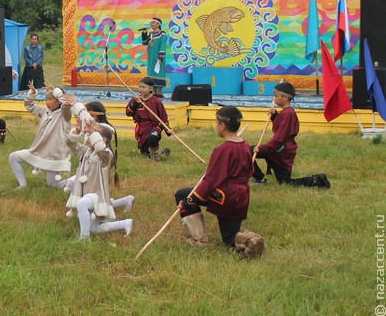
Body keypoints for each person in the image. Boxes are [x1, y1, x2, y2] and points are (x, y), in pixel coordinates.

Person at [174, 106, 261, 253]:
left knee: (183, 194)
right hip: (241, 196)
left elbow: (210, 181)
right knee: (229, 238)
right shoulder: (245, 145)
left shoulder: (223, 150)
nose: (216, 126)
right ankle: (248, 241)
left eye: (216, 123)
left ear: (222, 126)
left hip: (226, 196)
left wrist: (190, 200)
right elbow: (251, 171)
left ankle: (199, 240)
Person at [65, 115, 134, 241]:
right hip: (87, 194)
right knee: (95, 228)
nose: (87, 137)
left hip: (97, 195)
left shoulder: (106, 155)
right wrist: (77, 130)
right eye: (87, 135)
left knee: (82, 203)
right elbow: (70, 143)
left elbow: (100, 149)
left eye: (92, 135)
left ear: (104, 140)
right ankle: (124, 223)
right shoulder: (85, 151)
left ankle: (84, 238)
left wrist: (92, 132)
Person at [251, 82, 330, 189]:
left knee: (286, 183)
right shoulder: (286, 112)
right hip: (278, 150)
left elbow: (280, 138)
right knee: (247, 151)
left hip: (280, 152)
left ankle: (316, 180)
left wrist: (263, 148)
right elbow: (281, 127)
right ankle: (259, 178)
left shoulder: (288, 113)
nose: (274, 99)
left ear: (285, 98)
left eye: (276, 96)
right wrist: (275, 116)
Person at [8, 84, 72, 189]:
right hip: (37, 151)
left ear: (59, 101)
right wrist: (32, 93)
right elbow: (29, 105)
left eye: (51, 99)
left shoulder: (64, 115)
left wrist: (56, 91)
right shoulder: (44, 111)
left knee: (53, 185)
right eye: (46, 99)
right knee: (13, 157)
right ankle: (23, 185)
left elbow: (67, 104)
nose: (47, 102)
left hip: (53, 156)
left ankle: (76, 181)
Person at [125, 76, 173, 161]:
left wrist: (168, 129)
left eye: (144, 87)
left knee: (152, 137)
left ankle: (156, 159)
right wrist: (135, 103)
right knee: (145, 154)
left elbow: (163, 118)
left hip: (154, 127)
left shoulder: (156, 102)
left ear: (150, 89)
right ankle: (162, 153)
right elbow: (128, 113)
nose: (141, 89)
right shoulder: (136, 100)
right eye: (140, 87)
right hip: (142, 128)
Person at [140, 18, 169, 98]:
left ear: (158, 24)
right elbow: (144, 42)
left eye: (153, 23)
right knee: (151, 74)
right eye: (151, 23)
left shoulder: (163, 34)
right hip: (151, 58)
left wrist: (160, 58)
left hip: (158, 57)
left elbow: (162, 46)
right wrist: (145, 33)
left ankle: (159, 93)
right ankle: (154, 92)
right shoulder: (151, 34)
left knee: (159, 73)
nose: (151, 24)